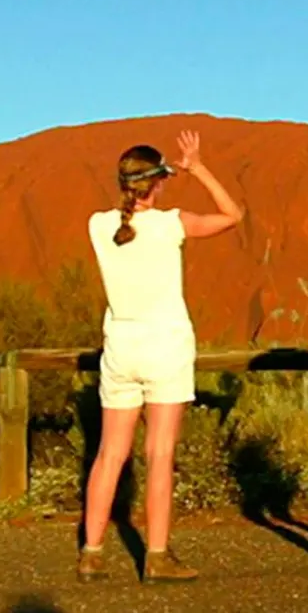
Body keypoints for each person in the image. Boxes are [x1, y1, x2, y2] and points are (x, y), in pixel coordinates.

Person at [79, 130, 244, 583]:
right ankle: (156, 556)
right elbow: (233, 215)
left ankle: (91, 553)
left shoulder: (98, 225)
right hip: (166, 346)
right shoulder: (172, 224)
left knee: (110, 454)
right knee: (159, 453)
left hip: (121, 346)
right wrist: (198, 166)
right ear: (158, 183)